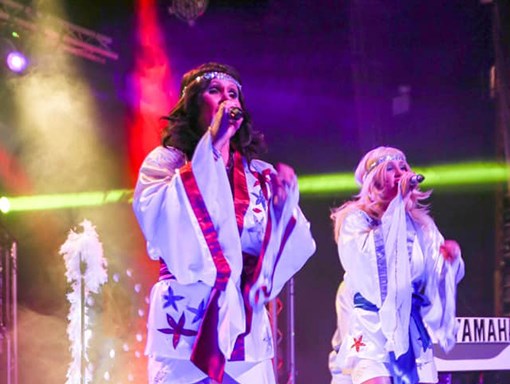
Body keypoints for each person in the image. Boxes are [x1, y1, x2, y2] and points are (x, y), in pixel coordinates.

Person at [132, 62, 316, 384]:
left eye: (233, 94)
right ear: (192, 103)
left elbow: (290, 246)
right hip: (186, 322)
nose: (226, 99)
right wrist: (211, 148)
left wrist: (281, 213)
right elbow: (163, 226)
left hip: (246, 326)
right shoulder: (165, 163)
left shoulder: (259, 172)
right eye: (215, 91)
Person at [328, 146, 465, 384]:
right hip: (372, 328)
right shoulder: (355, 220)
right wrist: (397, 207)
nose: (400, 173)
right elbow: (370, 266)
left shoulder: (422, 226)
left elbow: (433, 277)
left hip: (410, 329)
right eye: (390, 168)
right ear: (375, 179)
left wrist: (449, 261)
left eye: (403, 167)